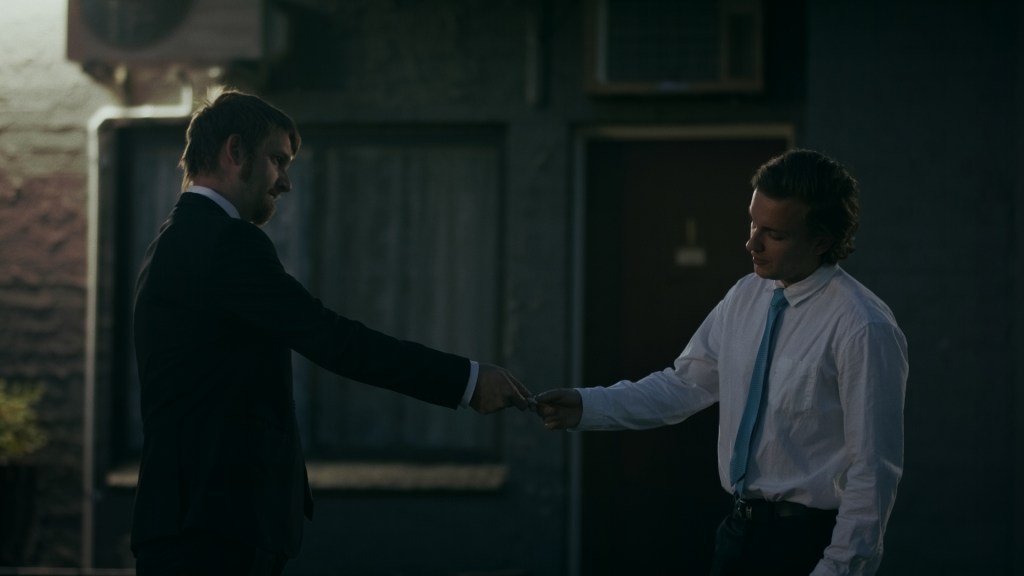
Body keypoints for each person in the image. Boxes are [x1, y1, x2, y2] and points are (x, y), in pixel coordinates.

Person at [130, 90, 531, 576]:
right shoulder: (225, 241)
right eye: (278, 161)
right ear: (235, 151)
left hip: (196, 521)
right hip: (215, 527)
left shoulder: (175, 239)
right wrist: (466, 381)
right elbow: (332, 339)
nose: (286, 183)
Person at [536, 149, 908, 576]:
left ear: (821, 241)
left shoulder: (862, 326)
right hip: (737, 535)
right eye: (753, 223)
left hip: (807, 544)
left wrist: (838, 568)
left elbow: (873, 471)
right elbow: (683, 385)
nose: (752, 243)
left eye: (774, 233)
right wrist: (588, 406)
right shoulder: (745, 297)